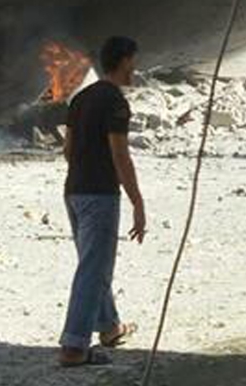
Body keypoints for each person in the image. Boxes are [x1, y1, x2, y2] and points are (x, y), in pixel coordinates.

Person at [59, 37, 147, 367]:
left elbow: (68, 150)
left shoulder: (81, 98)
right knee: (93, 269)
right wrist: (137, 202)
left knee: (93, 264)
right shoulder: (115, 102)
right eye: (133, 61)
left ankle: (109, 327)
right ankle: (74, 346)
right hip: (100, 195)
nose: (135, 68)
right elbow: (120, 156)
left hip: (73, 191)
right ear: (123, 61)